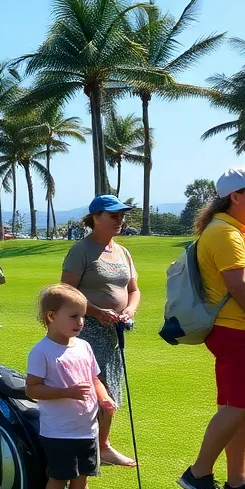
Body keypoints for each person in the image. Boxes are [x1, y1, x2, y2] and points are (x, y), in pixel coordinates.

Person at [179, 168, 245, 489]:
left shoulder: (238, 231)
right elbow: (239, 287)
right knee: (241, 405)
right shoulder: (224, 233)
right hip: (241, 330)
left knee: (240, 407)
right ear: (235, 196)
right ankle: (198, 474)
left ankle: (238, 481)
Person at [25, 284, 116, 489]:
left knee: (81, 480)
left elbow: (94, 378)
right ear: (52, 316)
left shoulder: (84, 347)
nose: (80, 322)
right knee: (58, 479)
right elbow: (32, 389)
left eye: (83, 316)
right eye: (73, 316)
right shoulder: (42, 351)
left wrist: (104, 397)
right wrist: (67, 392)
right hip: (58, 431)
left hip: (86, 429)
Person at [60, 195, 140, 467]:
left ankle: (101, 444)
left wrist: (129, 310)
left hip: (114, 331)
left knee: (110, 388)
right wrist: (96, 311)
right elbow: (67, 291)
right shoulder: (81, 250)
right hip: (88, 330)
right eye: (113, 215)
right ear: (95, 218)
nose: (120, 219)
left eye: (121, 215)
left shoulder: (122, 252)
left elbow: (133, 290)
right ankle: (95, 445)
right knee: (96, 388)